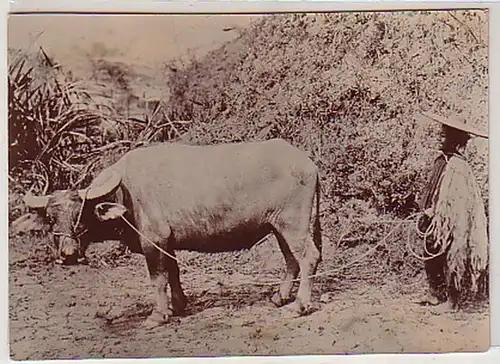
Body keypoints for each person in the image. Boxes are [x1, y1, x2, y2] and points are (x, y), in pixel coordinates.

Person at [416, 111, 489, 308]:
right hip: (434, 220)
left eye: (445, 134)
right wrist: (426, 209)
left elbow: (457, 202)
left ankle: (453, 302)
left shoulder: (459, 167)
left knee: (454, 256)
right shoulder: (442, 161)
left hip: (454, 223)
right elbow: (434, 188)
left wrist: (439, 214)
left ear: (455, 139)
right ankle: (435, 292)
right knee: (430, 252)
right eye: (441, 133)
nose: (440, 137)